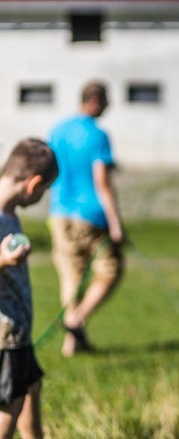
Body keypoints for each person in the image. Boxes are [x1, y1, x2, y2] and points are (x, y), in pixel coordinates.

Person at [48, 81, 126, 357]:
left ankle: (72, 343)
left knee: (72, 276)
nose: (108, 106)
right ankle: (75, 319)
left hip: (58, 213)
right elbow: (101, 180)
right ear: (95, 101)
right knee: (110, 270)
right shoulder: (98, 135)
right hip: (91, 214)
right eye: (106, 100)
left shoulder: (58, 130)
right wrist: (116, 222)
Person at [0, 138, 58, 438]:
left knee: (31, 388)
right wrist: (4, 260)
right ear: (34, 185)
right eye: (45, 190)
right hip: (6, 336)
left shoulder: (9, 216)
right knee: (10, 405)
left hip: (19, 332)